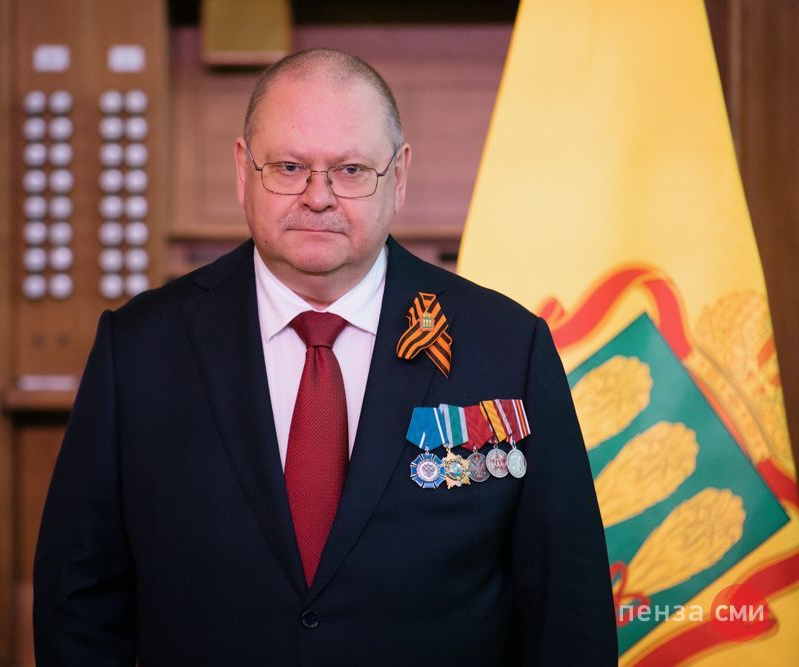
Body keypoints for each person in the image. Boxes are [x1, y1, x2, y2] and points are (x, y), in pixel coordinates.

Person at [33, 48, 617, 665]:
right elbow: (79, 599)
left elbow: (567, 609)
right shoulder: (139, 349)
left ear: (399, 176)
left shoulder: (508, 347)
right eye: (289, 167)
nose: (318, 197)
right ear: (243, 170)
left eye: (351, 170)